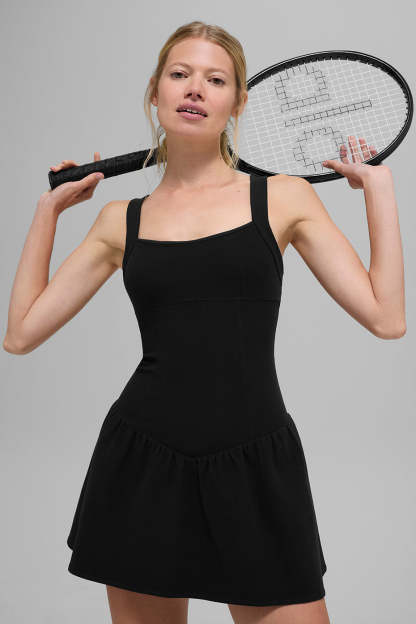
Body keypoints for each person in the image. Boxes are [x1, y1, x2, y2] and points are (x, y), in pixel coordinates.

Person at [3, 20, 406, 624]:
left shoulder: (283, 197)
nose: (195, 88)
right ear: (156, 92)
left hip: (255, 460)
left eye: (215, 80)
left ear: (237, 103)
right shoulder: (120, 219)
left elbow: (386, 317)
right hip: (142, 462)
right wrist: (48, 212)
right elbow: (20, 334)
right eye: (180, 74)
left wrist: (379, 191)